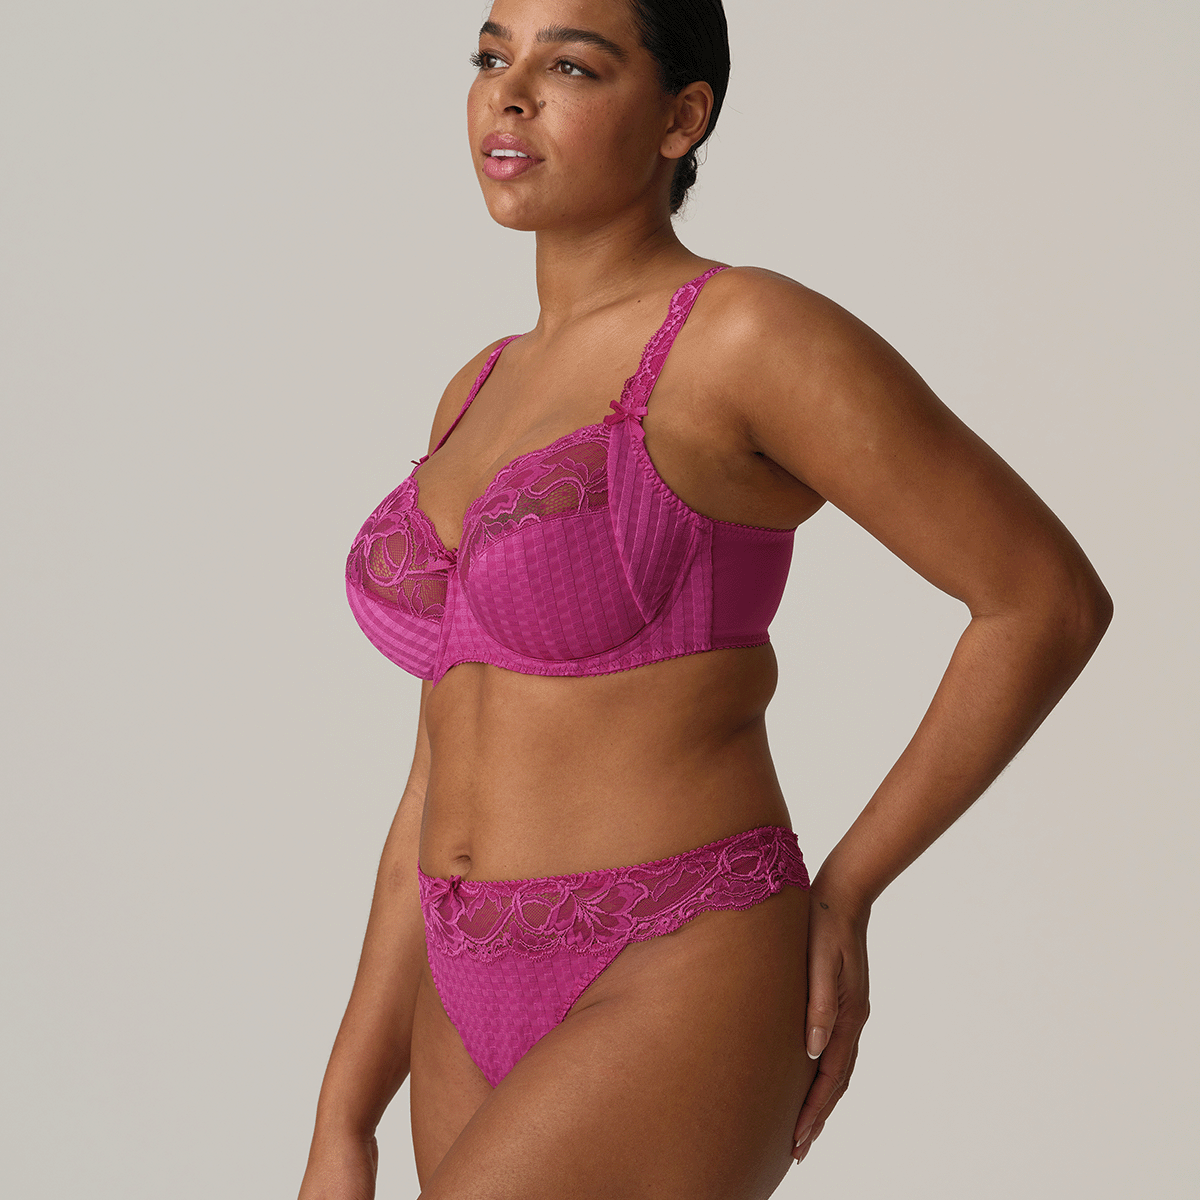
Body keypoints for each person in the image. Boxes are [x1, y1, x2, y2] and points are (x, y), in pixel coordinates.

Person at [298, 1, 1112, 1196]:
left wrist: (851, 886)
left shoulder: (742, 334)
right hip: (458, 980)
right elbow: (432, 771)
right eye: (491, 56)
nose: (509, 93)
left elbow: (1041, 599)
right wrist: (345, 1116)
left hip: (677, 954)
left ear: (683, 118)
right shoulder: (476, 388)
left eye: (572, 66)